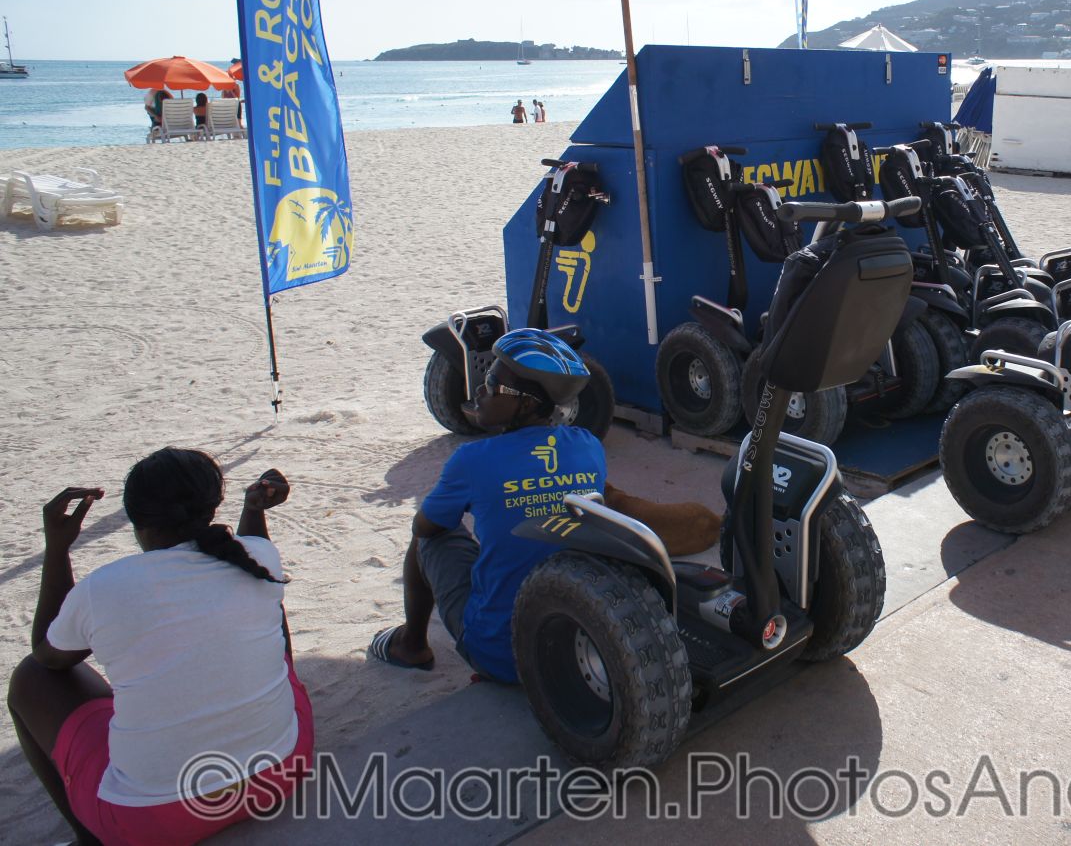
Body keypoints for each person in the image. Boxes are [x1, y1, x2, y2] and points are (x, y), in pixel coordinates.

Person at [369, 330, 718, 680]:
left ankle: (411, 645)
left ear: (527, 404)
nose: (480, 390)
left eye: (493, 384)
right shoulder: (587, 446)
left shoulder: (472, 459)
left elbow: (426, 527)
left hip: (501, 655)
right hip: (569, 648)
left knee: (430, 537)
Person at [8, 450, 313, 845]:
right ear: (210, 508)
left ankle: (89, 838)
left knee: (30, 678)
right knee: (265, 604)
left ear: (137, 522)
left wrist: (57, 548)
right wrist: (253, 509)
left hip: (151, 821)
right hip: (282, 769)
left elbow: (47, 656)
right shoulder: (259, 555)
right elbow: (249, 561)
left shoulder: (103, 589)